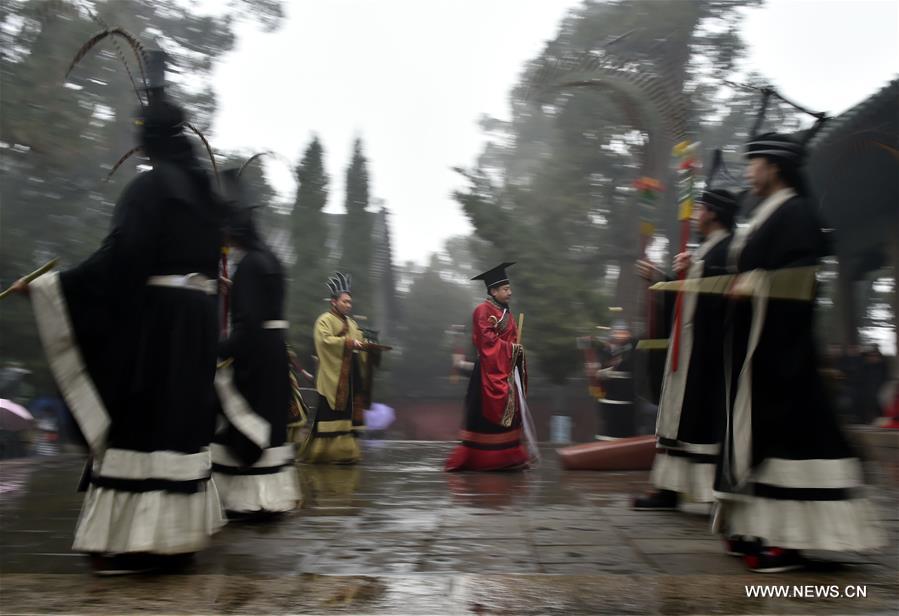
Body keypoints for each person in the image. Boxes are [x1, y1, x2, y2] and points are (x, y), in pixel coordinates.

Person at [9, 86, 227, 573]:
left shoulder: (148, 190)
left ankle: (136, 542)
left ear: (146, 142)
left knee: (141, 421)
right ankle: (179, 538)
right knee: (179, 425)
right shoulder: (207, 199)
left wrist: (51, 287)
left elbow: (121, 260)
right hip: (196, 326)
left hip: (159, 326)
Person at [714, 132, 885, 572]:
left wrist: (755, 285)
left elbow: (800, 280)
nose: (748, 171)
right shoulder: (769, 213)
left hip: (783, 349)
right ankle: (757, 526)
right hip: (758, 348)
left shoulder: (797, 213)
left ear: (774, 167)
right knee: (759, 437)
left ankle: (789, 540)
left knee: (789, 437)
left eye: (754, 162)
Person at [633, 188, 737, 510]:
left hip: (707, 354)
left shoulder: (728, 249)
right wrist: (662, 279)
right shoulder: (706, 248)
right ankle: (668, 488)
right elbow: (689, 295)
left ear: (715, 213)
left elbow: (724, 289)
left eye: (701, 207)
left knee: (698, 421)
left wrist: (695, 270)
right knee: (676, 420)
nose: (695, 214)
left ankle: (705, 491)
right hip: (687, 347)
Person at [211, 170, 300, 515]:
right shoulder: (271, 260)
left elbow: (247, 325)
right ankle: (270, 498)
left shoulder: (248, 265)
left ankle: (246, 500)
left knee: (238, 418)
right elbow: (265, 308)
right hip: (274, 351)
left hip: (256, 357)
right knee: (271, 425)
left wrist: (219, 350)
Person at [445, 262, 534, 471]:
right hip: (487, 373)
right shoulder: (482, 311)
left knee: (509, 415)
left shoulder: (507, 312)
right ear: (493, 291)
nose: (509, 292)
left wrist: (516, 352)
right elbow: (487, 343)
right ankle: (486, 460)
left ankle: (509, 458)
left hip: (505, 372)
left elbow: (509, 341)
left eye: (509, 288)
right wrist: (513, 350)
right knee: (487, 417)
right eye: (505, 289)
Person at [299, 273, 368, 464]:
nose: (348, 305)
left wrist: (366, 345)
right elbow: (324, 341)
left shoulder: (353, 324)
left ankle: (347, 454)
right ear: (333, 302)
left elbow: (359, 342)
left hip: (351, 375)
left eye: (350, 302)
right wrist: (348, 342)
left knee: (349, 413)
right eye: (345, 301)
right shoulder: (324, 320)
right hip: (334, 377)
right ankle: (324, 454)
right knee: (329, 413)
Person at [593, 321, 638, 440]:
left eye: (624, 333)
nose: (620, 336)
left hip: (627, 400)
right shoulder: (605, 352)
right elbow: (599, 372)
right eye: (618, 333)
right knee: (609, 429)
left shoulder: (631, 350)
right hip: (609, 399)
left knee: (625, 430)